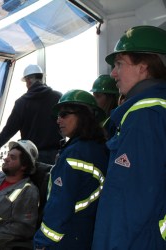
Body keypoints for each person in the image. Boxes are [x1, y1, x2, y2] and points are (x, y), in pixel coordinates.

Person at [92, 25, 166, 249]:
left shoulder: (144, 116)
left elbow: (128, 204)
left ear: (144, 67)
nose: (113, 73)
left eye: (119, 64)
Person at [33, 89, 109, 250]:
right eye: (58, 116)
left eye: (64, 115)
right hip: (85, 232)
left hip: (65, 237)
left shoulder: (75, 153)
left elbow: (60, 204)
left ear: (83, 116)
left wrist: (42, 242)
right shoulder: (98, 147)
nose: (58, 120)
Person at [0, 64, 62, 165]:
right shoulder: (58, 97)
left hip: (32, 155)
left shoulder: (22, 102)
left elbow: (10, 128)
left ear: (28, 80)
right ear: (41, 78)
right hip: (57, 155)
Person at [91, 74, 119, 138]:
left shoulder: (115, 122)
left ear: (111, 98)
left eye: (97, 96)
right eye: (93, 96)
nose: (94, 100)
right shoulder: (96, 118)